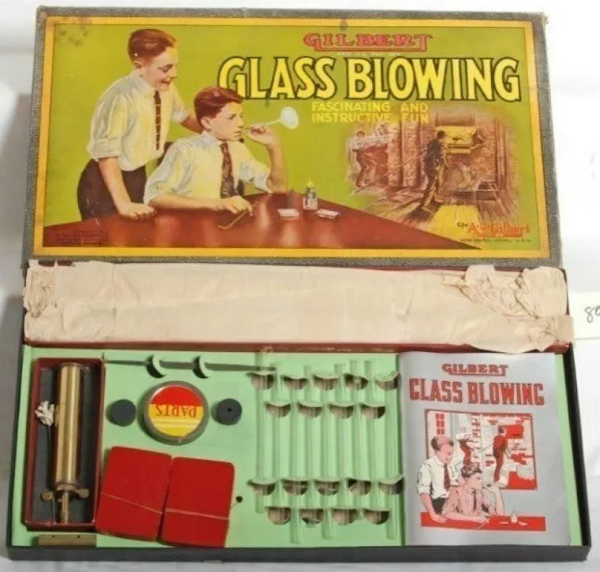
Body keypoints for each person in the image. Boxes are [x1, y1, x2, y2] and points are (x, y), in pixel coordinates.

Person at [77, 28, 201, 221]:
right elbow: (107, 155)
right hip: (106, 181)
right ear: (138, 67)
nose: (174, 74)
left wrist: (220, 130)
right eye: (166, 68)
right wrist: (124, 204)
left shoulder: (166, 88)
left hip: (137, 174)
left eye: (175, 66)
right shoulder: (119, 97)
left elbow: (184, 117)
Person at [144, 86, 287, 213]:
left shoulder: (238, 148)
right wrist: (216, 204)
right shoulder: (185, 150)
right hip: (192, 225)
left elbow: (278, 187)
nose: (241, 123)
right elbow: (154, 196)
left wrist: (273, 146)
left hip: (226, 224)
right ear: (207, 122)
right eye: (231, 117)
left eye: (241, 116)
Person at [417, 435, 458, 523]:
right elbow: (424, 492)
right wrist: (433, 515)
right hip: (437, 503)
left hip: (451, 501)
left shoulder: (450, 465)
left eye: (451, 453)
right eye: (448, 453)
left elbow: (458, 480)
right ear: (436, 452)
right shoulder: (428, 466)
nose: (451, 457)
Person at [420, 130, 448, 211]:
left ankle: (433, 199)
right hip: (434, 166)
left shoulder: (432, 142)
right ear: (444, 136)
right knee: (432, 184)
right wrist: (446, 165)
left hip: (428, 165)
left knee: (435, 183)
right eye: (445, 137)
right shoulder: (441, 143)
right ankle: (424, 204)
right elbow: (441, 156)